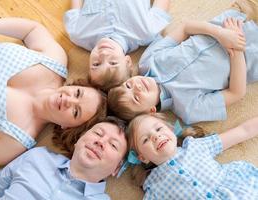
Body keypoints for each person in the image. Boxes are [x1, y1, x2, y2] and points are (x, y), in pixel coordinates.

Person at [0, 15, 107, 170]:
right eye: (78, 93)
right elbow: (31, 30)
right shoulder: (54, 61)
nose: (70, 100)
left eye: (76, 112)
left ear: (68, 127)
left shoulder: (15, 140)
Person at [108, 0, 258, 124]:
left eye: (128, 85)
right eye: (136, 97)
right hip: (252, 54)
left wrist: (221, 33)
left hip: (234, 19)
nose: (137, 87)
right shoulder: (190, 110)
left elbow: (186, 28)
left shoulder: (147, 61)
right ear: (150, 111)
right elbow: (236, 93)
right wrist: (237, 45)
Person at [0, 117, 128, 200]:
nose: (100, 142)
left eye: (113, 145)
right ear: (78, 140)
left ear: (116, 169)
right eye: (98, 133)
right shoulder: (37, 156)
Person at [126, 113, 258, 199]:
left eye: (159, 129)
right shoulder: (153, 188)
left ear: (171, 130)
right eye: (145, 140)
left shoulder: (195, 146)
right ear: (143, 158)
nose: (155, 136)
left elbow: (243, 131)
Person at [64, 0, 172, 90]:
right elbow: (161, 5)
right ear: (127, 61)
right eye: (113, 63)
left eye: (96, 64)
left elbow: (75, 6)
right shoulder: (146, 32)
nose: (104, 54)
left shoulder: (78, 34)